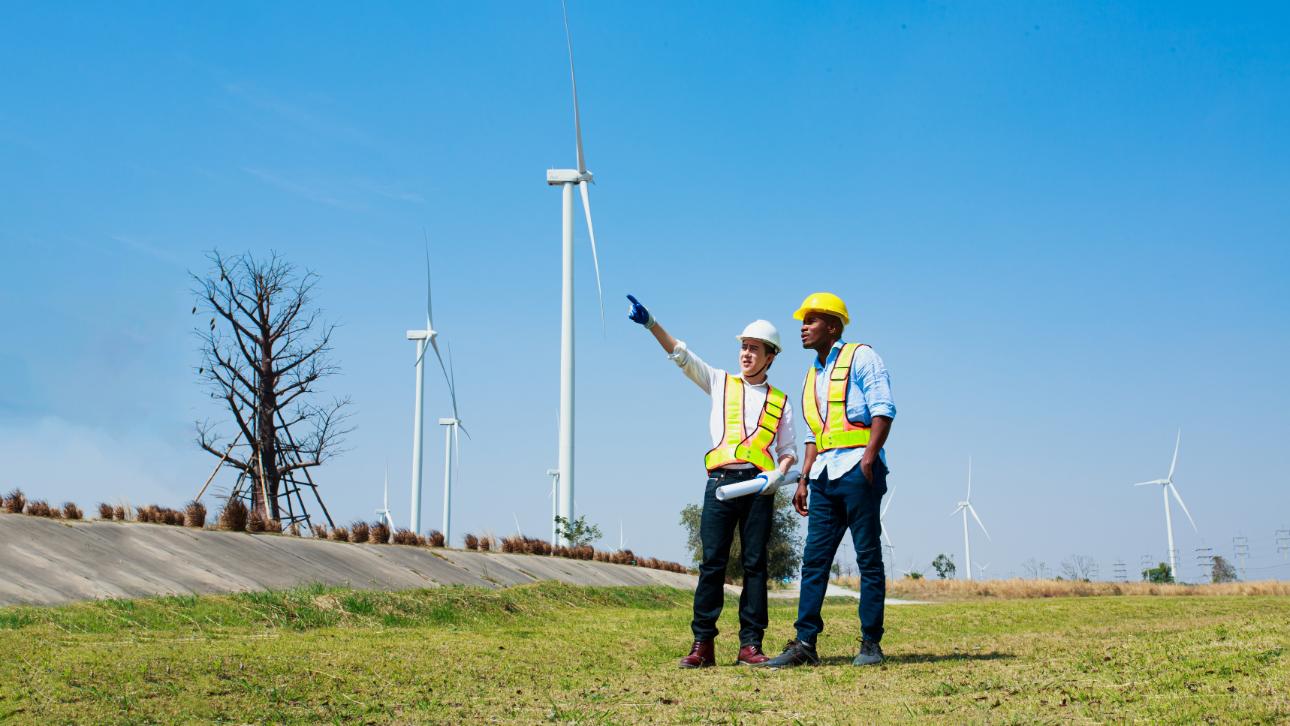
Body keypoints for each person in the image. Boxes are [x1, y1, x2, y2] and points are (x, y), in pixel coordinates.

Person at [626, 294, 797, 668]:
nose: (746, 354)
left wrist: (778, 475)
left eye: (754, 349)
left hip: (758, 489)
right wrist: (652, 322)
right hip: (720, 485)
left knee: (755, 565)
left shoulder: (781, 401)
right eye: (743, 347)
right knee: (712, 565)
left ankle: (750, 645)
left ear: (771, 356)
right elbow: (681, 356)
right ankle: (703, 644)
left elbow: (788, 450)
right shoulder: (720, 382)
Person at [761, 292, 895, 668]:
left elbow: (884, 409)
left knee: (868, 558)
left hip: (858, 470)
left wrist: (869, 459)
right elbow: (812, 436)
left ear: (832, 326)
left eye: (811, 320)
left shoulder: (862, 357)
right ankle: (805, 643)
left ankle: (871, 644)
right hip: (821, 476)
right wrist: (803, 479)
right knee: (814, 560)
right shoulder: (811, 375)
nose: (802, 327)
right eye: (802, 321)